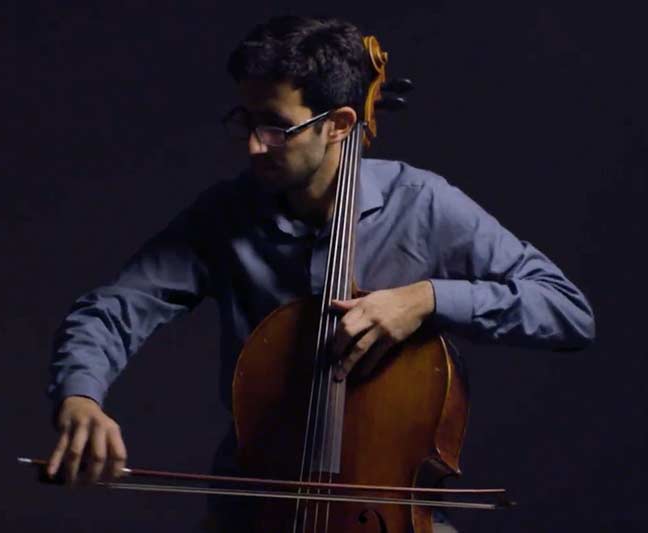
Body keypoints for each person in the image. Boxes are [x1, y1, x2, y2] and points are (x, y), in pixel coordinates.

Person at [44, 15, 595, 532]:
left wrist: (426, 299)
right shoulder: (225, 214)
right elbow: (115, 307)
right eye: (246, 121)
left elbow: (566, 311)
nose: (254, 145)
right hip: (256, 508)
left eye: (277, 128)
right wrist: (80, 397)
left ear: (339, 124)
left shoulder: (422, 204)